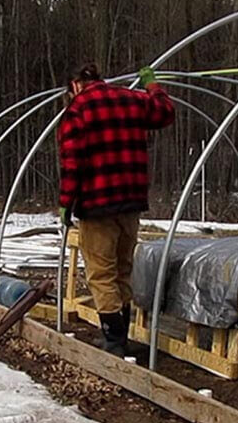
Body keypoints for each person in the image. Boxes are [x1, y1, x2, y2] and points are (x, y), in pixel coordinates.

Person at [58, 63, 175, 357]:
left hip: (97, 205)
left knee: (101, 274)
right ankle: (121, 338)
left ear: (74, 85)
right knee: (123, 268)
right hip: (131, 202)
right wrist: (152, 85)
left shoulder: (77, 110)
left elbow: (73, 164)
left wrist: (65, 204)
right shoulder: (131, 99)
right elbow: (165, 112)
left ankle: (113, 341)